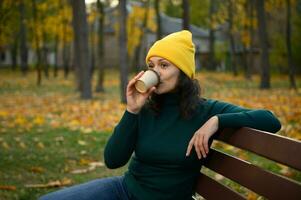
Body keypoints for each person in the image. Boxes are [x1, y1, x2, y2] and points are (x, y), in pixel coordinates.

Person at [39, 30, 281, 200]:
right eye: (152, 65)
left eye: (164, 65)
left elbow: (270, 120)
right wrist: (131, 110)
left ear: (184, 73)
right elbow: (113, 160)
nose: (155, 72)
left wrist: (217, 120)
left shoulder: (206, 110)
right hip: (125, 191)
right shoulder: (145, 108)